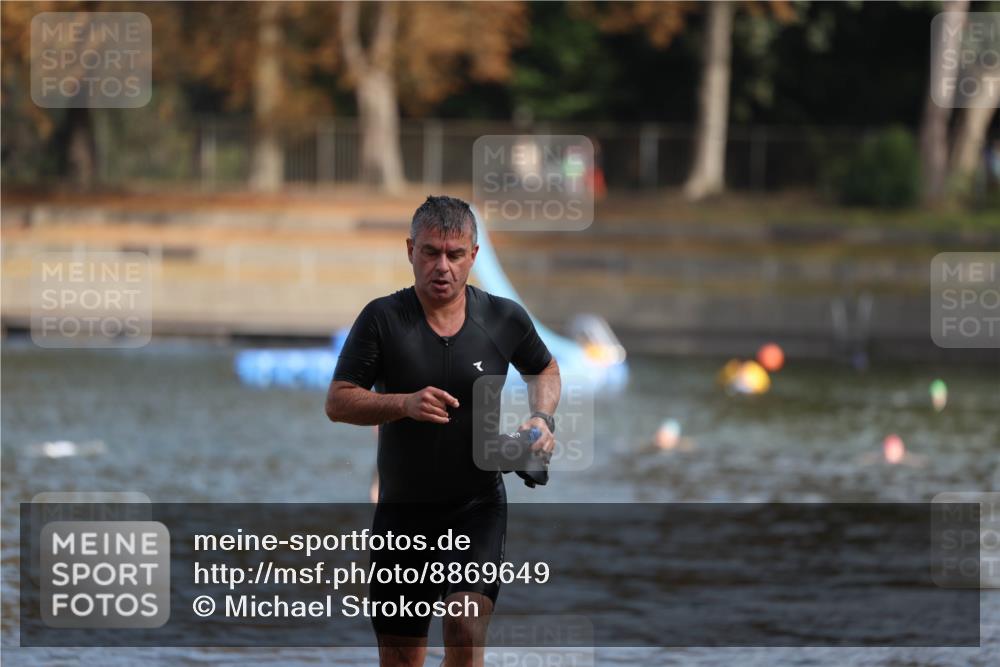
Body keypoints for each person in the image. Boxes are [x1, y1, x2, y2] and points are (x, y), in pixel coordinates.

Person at [325, 195, 561, 667]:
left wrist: (542, 418)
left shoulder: (503, 318)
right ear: (410, 250)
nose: (442, 267)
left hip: (476, 508)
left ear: (473, 256)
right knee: (400, 658)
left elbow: (545, 369)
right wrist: (403, 403)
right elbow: (338, 400)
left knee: (464, 624)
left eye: (455, 255)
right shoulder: (383, 319)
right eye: (431, 252)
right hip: (403, 518)